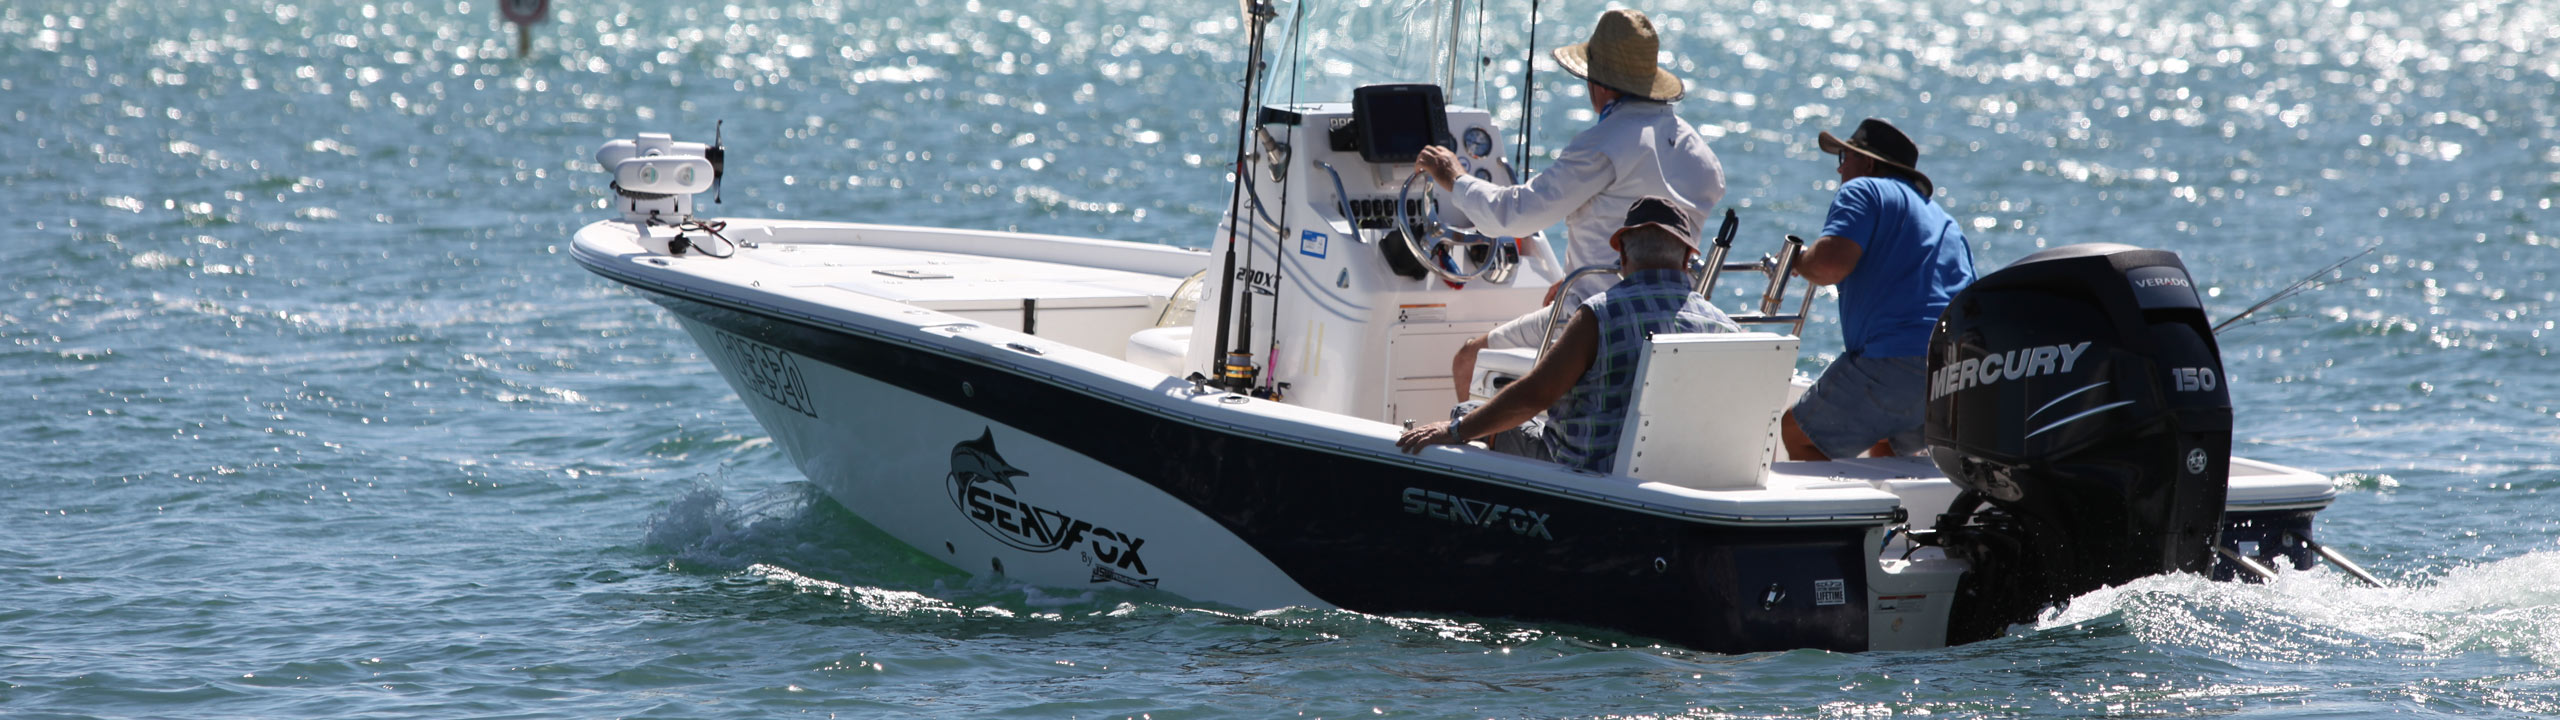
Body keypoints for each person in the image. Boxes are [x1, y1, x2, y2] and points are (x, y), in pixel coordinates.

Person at [1413, 8, 1727, 401]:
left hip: (1594, 319)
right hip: (1669, 317)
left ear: (1599, 85)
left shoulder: (1604, 143)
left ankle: (1476, 453)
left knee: (1468, 360)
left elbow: (1513, 215)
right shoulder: (1699, 152)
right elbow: (1646, 228)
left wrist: (1454, 178)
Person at [1398, 196, 1739, 473]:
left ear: (1621, 254)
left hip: (1582, 474)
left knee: (1468, 413)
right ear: (1686, 259)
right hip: (1670, 473)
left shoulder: (1599, 315)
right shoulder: (1724, 327)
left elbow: (1533, 397)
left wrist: (1454, 431)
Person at [1781, 118, 1978, 461]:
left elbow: (1829, 265)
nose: (1841, 169)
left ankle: (1835, 515)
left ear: (1868, 162)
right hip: (1955, 370)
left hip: (1897, 358)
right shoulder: (1946, 222)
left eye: (1845, 156)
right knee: (1887, 442)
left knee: (1799, 434)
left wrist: (1798, 261)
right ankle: (1891, 513)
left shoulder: (1864, 189)